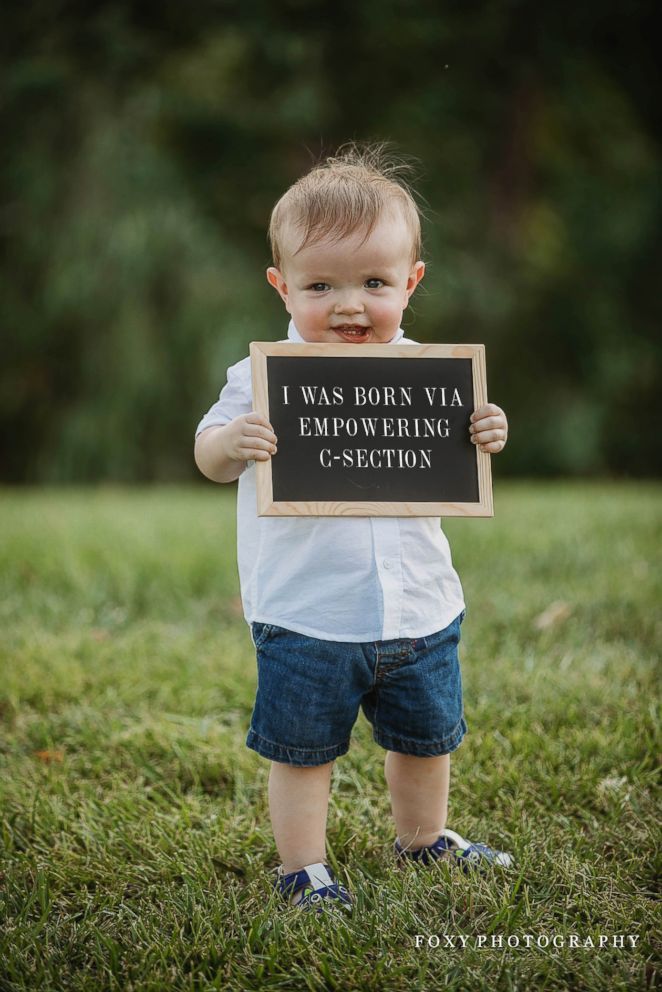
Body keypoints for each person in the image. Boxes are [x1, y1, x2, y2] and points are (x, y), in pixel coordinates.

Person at [194, 144, 512, 916]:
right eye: (321, 286)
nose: (348, 304)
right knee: (304, 752)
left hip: (420, 604)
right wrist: (232, 444)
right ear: (282, 288)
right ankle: (303, 867)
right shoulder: (261, 376)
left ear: (412, 282)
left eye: (374, 283)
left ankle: (424, 838)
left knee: (426, 739)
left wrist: (490, 428)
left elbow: (465, 446)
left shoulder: (428, 371)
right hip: (309, 613)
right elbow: (207, 454)